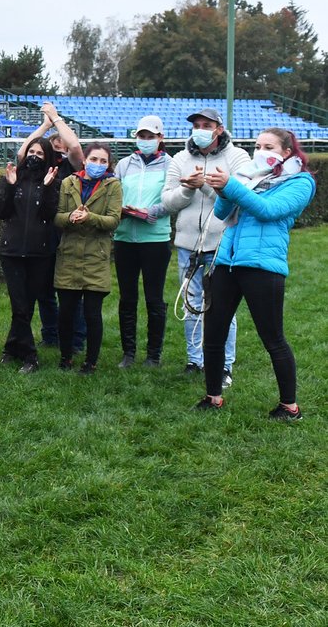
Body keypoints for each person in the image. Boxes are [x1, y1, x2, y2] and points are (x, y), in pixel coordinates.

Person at [196, 128, 315, 420]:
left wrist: (232, 186)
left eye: (269, 146)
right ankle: (213, 397)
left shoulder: (301, 181)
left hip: (262, 265)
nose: (261, 150)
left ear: (287, 151)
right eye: (258, 145)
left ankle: (289, 406)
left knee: (272, 337)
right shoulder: (247, 175)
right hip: (227, 261)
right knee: (213, 334)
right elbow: (223, 212)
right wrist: (225, 189)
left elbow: (268, 210)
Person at [161, 108, 249, 384]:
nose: (199, 129)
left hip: (222, 243)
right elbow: (168, 201)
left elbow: (239, 198)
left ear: (218, 129)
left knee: (221, 306)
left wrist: (207, 187)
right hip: (188, 243)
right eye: (196, 125)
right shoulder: (180, 158)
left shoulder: (237, 157)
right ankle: (194, 360)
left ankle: (225, 365)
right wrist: (188, 188)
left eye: (206, 124)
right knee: (190, 303)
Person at [18, 102, 86, 353]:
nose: (59, 150)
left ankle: (77, 338)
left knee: (71, 290)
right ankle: (50, 336)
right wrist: (44, 125)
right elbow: (24, 152)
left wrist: (56, 119)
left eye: (62, 146)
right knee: (45, 290)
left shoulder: (73, 166)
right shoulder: (40, 166)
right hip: (44, 235)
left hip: (68, 232)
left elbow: (76, 146)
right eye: (54, 146)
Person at [0, 135, 59, 374]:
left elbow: (51, 215)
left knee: (26, 306)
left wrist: (50, 187)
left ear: (47, 157)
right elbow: (1, 211)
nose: (34, 156)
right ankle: (30, 355)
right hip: (11, 251)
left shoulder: (52, 180)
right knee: (19, 305)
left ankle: (11, 349)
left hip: (39, 253)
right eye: (31, 152)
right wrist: (10, 186)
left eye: (40, 153)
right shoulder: (15, 178)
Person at [54, 143, 122, 374]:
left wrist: (89, 217)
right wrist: (70, 217)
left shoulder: (113, 186)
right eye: (94, 159)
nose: (98, 165)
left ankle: (90, 362)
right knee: (65, 312)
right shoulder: (68, 182)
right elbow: (57, 217)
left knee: (92, 314)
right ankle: (65, 357)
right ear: (84, 160)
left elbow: (113, 221)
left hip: (96, 256)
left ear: (108, 165)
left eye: (103, 161)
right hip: (69, 256)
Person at [113, 115, 172, 368]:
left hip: (155, 239)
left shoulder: (171, 165)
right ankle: (128, 353)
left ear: (160, 138)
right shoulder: (125, 164)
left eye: (150, 137)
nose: (145, 141)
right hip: (125, 237)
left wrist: (153, 212)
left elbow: (175, 198)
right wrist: (121, 209)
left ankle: (153, 355)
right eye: (141, 136)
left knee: (154, 298)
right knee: (127, 298)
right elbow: (112, 194)